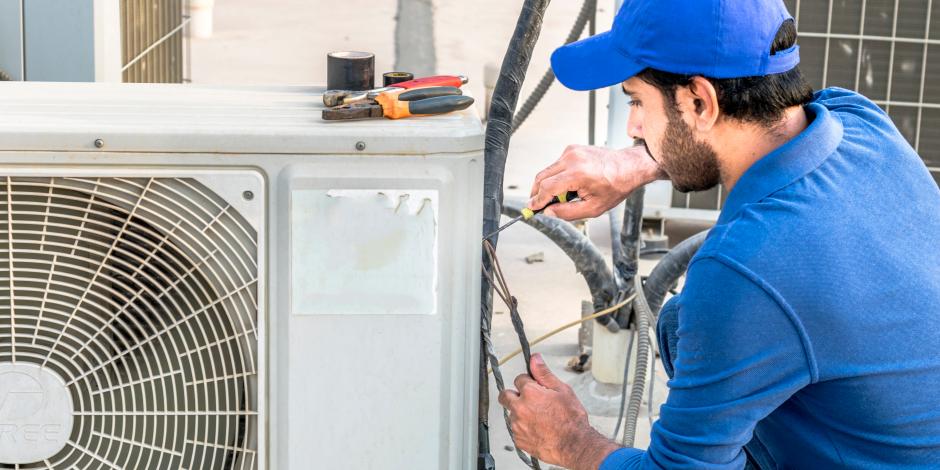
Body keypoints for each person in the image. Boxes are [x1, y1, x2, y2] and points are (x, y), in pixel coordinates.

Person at [497, 0, 940, 469]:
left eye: (636, 101)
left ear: (699, 102)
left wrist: (571, 441)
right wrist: (631, 164)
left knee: (697, 323)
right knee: (683, 325)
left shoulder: (745, 269)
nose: (632, 127)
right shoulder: (858, 122)